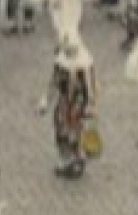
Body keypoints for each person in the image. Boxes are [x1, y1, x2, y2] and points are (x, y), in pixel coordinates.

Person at [42, 30, 98, 178]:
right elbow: (54, 81)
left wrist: (91, 104)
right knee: (61, 128)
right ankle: (67, 159)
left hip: (79, 102)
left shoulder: (85, 65)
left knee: (75, 129)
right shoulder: (61, 63)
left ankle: (77, 158)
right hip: (65, 101)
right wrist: (46, 100)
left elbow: (91, 85)